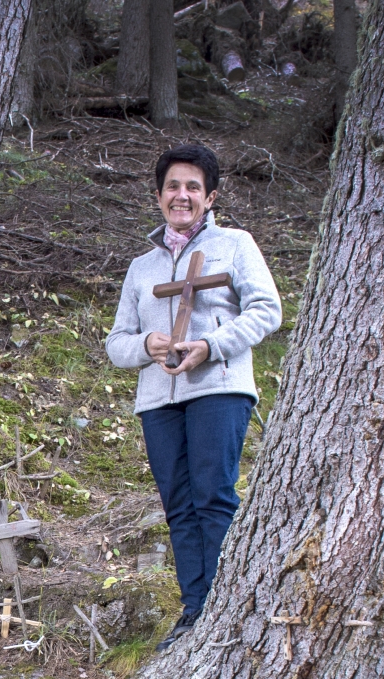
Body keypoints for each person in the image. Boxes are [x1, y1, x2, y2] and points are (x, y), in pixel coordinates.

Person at [105, 143, 282, 651]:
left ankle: (226, 611)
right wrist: (146, 345)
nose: (181, 196)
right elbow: (117, 342)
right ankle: (194, 609)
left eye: (193, 187)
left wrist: (211, 345)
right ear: (159, 195)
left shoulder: (235, 245)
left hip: (218, 389)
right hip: (159, 399)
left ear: (210, 197)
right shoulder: (142, 267)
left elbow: (267, 310)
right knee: (179, 505)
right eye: (172, 187)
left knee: (214, 496)